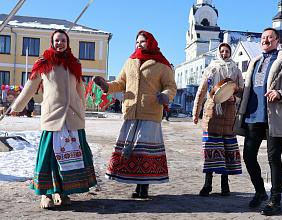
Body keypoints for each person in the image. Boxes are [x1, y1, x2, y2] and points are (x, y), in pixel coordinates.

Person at [10, 29, 97, 209]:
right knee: (49, 158)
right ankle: (46, 195)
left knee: (70, 159)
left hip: (73, 118)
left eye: (63, 40)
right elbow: (30, 87)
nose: (60, 43)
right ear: (52, 42)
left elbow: (79, 90)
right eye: (57, 40)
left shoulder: (74, 63)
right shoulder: (44, 62)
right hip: (53, 117)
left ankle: (63, 192)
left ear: (68, 42)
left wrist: (82, 109)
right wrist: (17, 107)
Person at [92, 30, 177, 198]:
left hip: (150, 112)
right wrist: (106, 86)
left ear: (150, 43)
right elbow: (120, 83)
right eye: (137, 42)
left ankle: (143, 188)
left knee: (144, 152)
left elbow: (170, 86)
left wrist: (166, 96)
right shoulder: (130, 61)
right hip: (131, 111)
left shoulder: (162, 64)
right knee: (132, 151)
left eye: (143, 42)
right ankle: (136, 185)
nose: (139, 44)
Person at [233, 27, 282, 216]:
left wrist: (280, 93)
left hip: (274, 118)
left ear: (277, 40)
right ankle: (260, 192)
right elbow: (249, 90)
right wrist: (235, 92)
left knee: (274, 159)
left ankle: (276, 200)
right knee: (248, 156)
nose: (265, 40)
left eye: (270, 38)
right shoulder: (255, 62)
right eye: (263, 37)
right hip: (252, 116)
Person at [192, 43, 243, 197]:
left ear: (230, 53)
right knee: (210, 150)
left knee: (226, 151)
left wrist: (235, 96)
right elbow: (201, 92)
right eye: (222, 51)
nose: (224, 54)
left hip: (228, 115)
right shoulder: (211, 69)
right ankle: (207, 185)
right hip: (212, 113)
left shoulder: (236, 70)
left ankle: (224, 185)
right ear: (218, 53)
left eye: (227, 51)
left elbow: (242, 90)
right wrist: (196, 112)